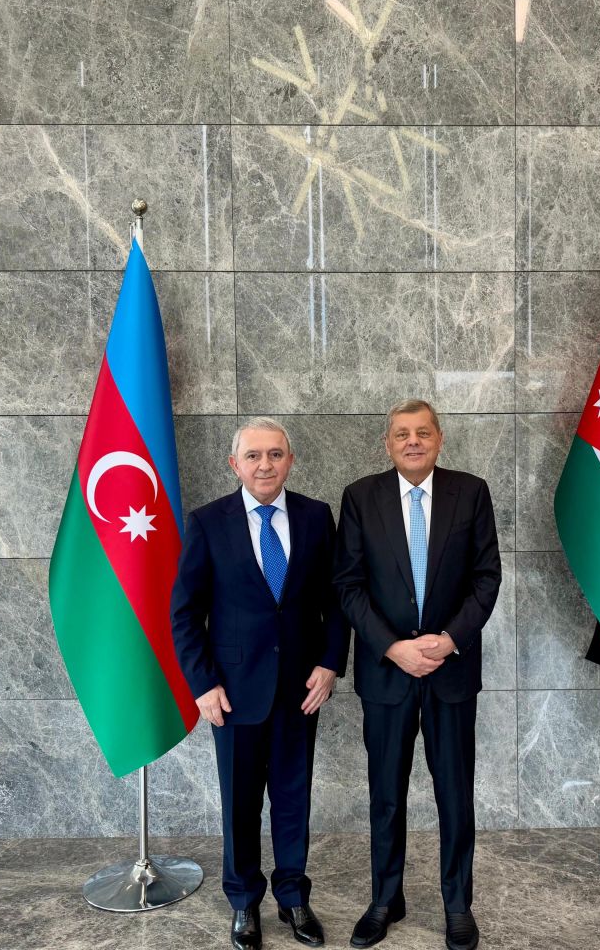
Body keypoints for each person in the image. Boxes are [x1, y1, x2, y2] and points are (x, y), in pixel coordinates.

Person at [171, 418, 348, 950]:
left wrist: (330, 664)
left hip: (301, 689)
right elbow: (185, 613)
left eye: (275, 454)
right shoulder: (208, 523)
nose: (265, 465)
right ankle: (244, 901)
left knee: (293, 800)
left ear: (290, 460)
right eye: (253, 456)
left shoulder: (316, 517)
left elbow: (336, 600)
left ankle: (293, 897)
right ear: (235, 464)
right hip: (232, 693)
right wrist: (202, 684)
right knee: (240, 803)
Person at [333, 399, 502, 950]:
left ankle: (458, 904)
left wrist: (450, 640)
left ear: (439, 439)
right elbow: (348, 585)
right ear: (387, 444)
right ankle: (386, 899)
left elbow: (487, 577)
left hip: (452, 673)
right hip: (388, 675)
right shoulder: (361, 497)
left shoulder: (470, 493)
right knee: (386, 794)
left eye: (423, 433)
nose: (413, 441)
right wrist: (393, 648)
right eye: (402, 434)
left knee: (455, 794)